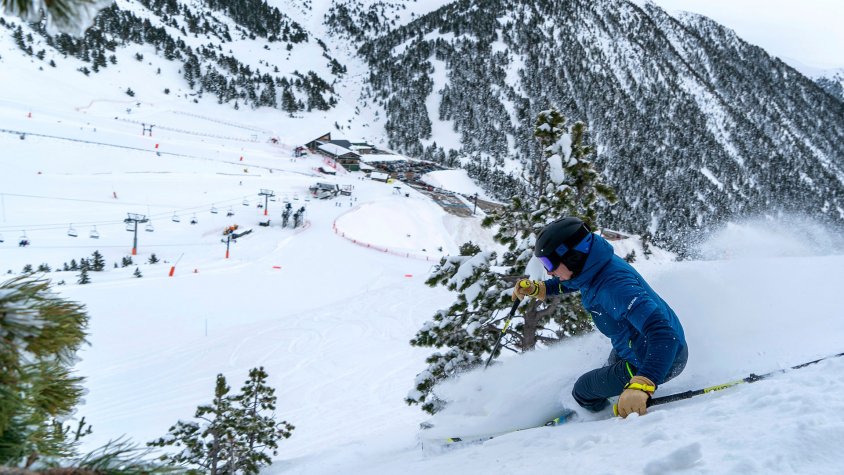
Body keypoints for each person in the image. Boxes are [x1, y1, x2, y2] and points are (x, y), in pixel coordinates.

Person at [512, 217, 687, 418]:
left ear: (572, 257)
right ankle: (619, 394)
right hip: (634, 345)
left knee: (582, 390)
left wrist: (644, 382)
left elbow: (664, 335)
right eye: (543, 263)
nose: (548, 271)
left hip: (658, 356)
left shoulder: (616, 287)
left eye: (550, 262)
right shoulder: (592, 266)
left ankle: (601, 419)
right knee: (607, 370)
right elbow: (574, 281)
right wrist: (539, 288)